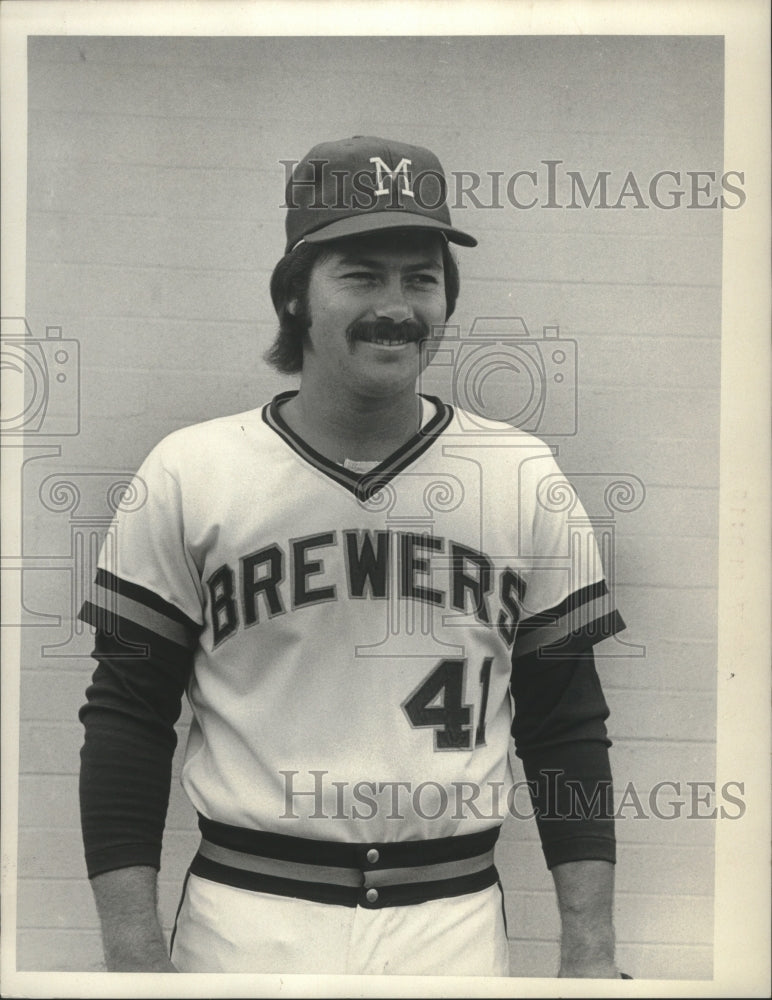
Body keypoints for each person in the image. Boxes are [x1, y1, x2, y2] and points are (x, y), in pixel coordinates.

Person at [78, 135, 627, 977]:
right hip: (247, 917)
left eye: (421, 276)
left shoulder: (522, 475)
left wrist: (589, 947)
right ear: (295, 295)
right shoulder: (190, 471)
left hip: (450, 922)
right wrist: (131, 951)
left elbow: (566, 729)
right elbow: (127, 720)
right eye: (362, 274)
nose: (397, 305)